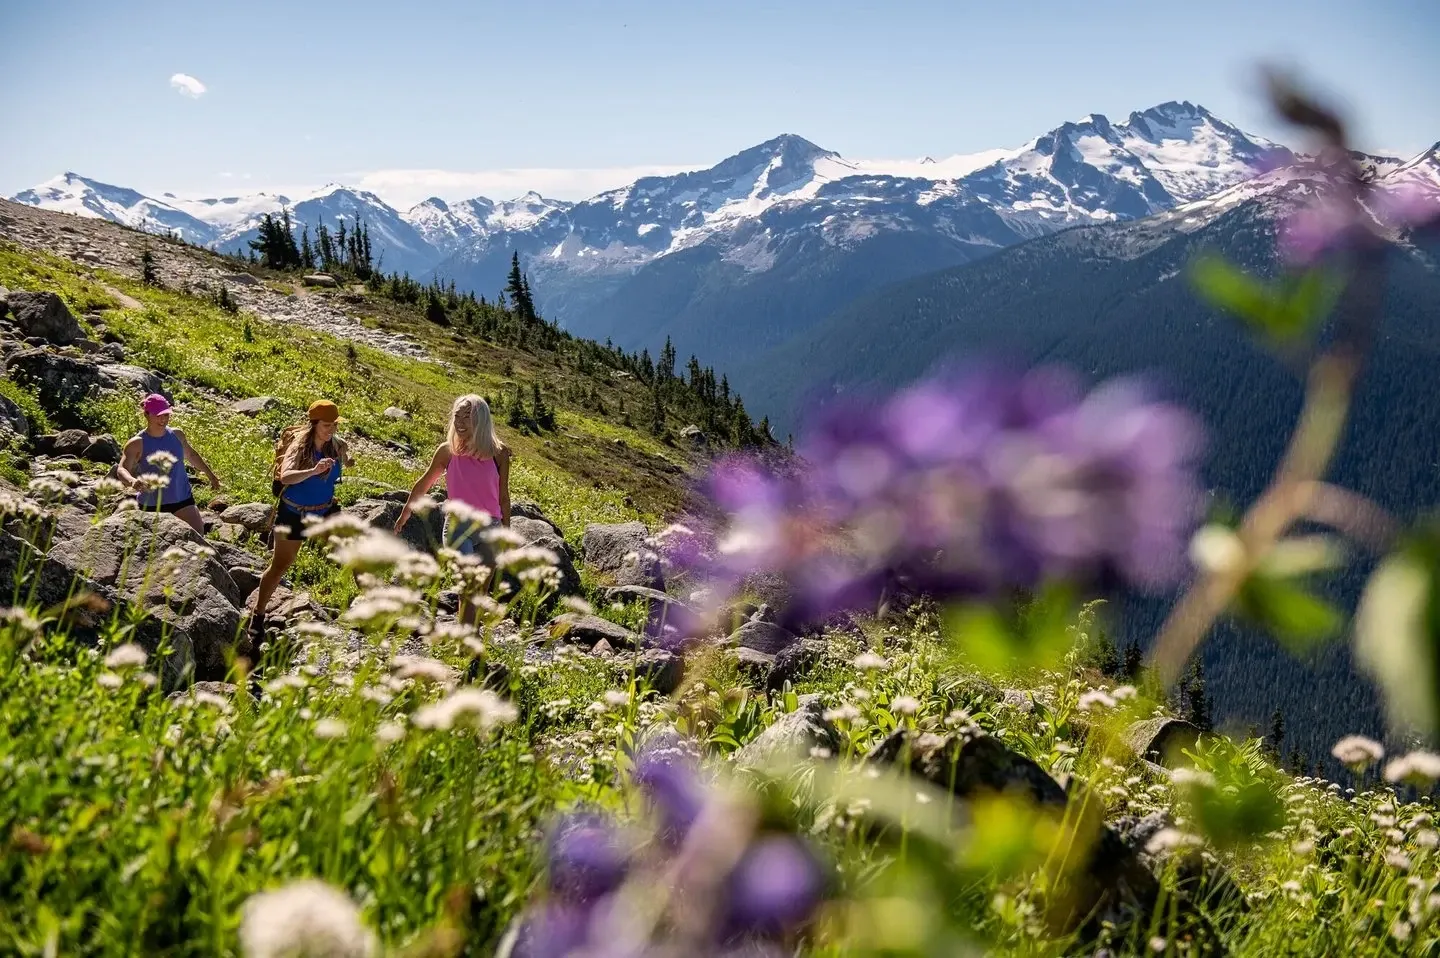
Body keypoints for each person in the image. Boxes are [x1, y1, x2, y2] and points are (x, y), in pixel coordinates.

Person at [395, 394, 512, 624]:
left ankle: (469, 636)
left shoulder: (499, 453)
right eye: (457, 416)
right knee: (468, 585)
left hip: (491, 527)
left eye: (466, 417)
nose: (459, 421)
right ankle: (466, 643)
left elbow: (504, 497)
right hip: (458, 527)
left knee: (479, 592)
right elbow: (425, 482)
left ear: (481, 420)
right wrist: (406, 511)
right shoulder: (447, 451)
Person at [252, 400, 354, 629]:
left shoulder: (336, 444)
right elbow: (286, 476)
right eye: (327, 425)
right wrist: (313, 471)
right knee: (280, 565)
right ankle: (258, 613)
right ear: (314, 424)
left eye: (335, 425)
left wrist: (348, 461)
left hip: (326, 511)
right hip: (294, 514)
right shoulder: (299, 447)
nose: (332, 430)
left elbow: (345, 455)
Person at [116, 393, 220, 535]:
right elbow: (122, 469)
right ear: (146, 414)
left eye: (166, 415)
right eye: (158, 415)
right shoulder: (137, 443)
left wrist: (211, 476)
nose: (163, 419)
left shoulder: (177, 435)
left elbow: (192, 455)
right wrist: (132, 481)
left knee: (198, 538)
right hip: (151, 504)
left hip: (181, 498)